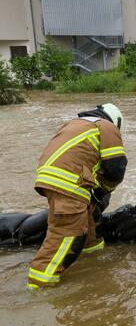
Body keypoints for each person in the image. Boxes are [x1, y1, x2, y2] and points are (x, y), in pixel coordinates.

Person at [27, 104, 127, 289]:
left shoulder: (76, 124)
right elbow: (115, 168)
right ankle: (39, 284)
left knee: (86, 223)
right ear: (116, 121)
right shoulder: (107, 127)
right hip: (69, 182)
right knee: (67, 233)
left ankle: (91, 255)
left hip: (52, 178)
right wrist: (104, 190)